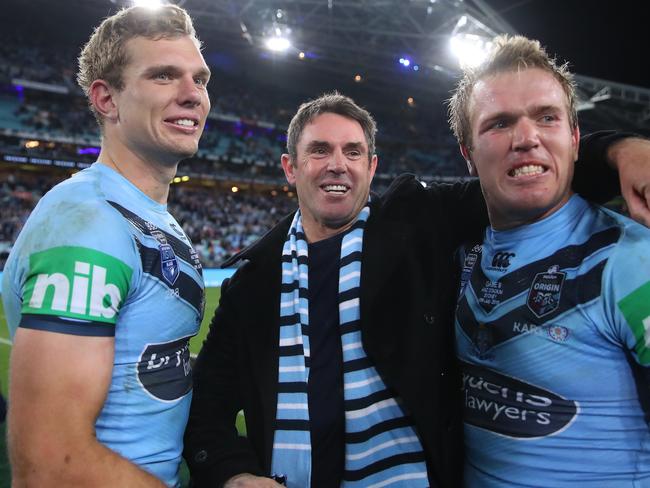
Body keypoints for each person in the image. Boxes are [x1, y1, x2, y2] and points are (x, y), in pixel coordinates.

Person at [183, 91, 650, 488]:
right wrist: (233, 474)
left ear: (372, 166)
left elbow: (519, 172)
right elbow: (207, 407)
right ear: (290, 167)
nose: (337, 166)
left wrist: (621, 151)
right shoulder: (252, 281)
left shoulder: (418, 223)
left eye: (352, 152)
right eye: (320, 150)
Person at [2, 5, 210, 486]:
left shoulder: (148, 217)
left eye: (200, 79)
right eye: (164, 76)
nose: (192, 95)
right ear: (107, 99)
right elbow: (51, 465)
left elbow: (144, 361)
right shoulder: (89, 223)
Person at [449, 35, 650, 486]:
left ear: (576, 140)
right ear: (468, 155)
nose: (526, 139)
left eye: (546, 118)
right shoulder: (456, 252)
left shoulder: (632, 261)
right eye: (499, 124)